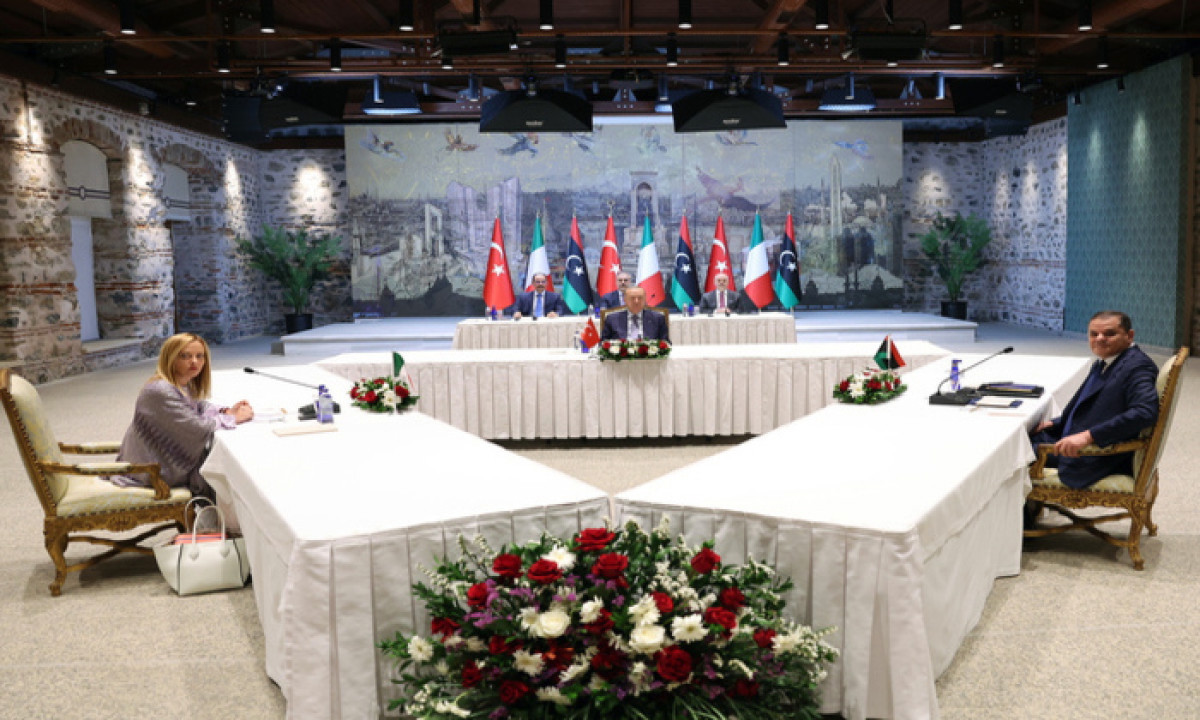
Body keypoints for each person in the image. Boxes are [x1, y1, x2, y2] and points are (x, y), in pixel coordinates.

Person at [107, 333, 254, 500]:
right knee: (226, 468)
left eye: (200, 356)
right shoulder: (161, 390)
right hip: (153, 470)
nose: (194, 362)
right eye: (185, 356)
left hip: (155, 460)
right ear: (170, 358)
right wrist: (234, 419)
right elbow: (196, 428)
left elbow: (198, 406)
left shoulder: (180, 384)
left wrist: (226, 411)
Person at [1028, 311, 1159, 489]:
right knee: (1022, 436)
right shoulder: (1108, 360)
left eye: (1109, 333)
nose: (1100, 339)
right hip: (1075, 436)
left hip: (1093, 455)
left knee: (1015, 454)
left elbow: (1144, 412)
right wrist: (1056, 423)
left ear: (1129, 336)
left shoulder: (1138, 366)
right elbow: (1093, 405)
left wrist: (1088, 436)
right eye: (1094, 334)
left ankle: (1021, 507)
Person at [601, 286, 669, 342]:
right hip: (621, 354)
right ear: (625, 300)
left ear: (645, 299)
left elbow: (666, 343)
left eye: (640, 298)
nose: (636, 301)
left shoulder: (658, 318)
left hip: (648, 354)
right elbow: (603, 343)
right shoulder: (612, 319)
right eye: (632, 298)